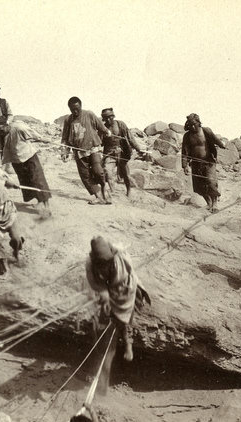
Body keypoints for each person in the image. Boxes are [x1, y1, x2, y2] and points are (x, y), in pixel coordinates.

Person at [86, 236, 150, 364]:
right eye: (102, 263)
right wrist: (104, 292)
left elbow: (122, 281)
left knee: (124, 315)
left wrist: (113, 297)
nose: (105, 264)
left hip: (125, 286)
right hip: (107, 287)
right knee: (103, 316)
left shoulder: (121, 259)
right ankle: (102, 353)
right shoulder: (91, 264)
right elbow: (94, 282)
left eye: (107, 261)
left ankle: (128, 343)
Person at [0, 116, 53, 218]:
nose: (0, 132)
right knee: (26, 182)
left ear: (6, 125)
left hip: (29, 156)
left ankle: (46, 206)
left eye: (1, 129)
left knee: (38, 180)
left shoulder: (18, 128)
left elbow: (33, 134)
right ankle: (39, 201)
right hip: (16, 160)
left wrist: (44, 139)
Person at [60, 96, 112, 205]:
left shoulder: (89, 114)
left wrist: (107, 131)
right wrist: (65, 151)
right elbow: (65, 138)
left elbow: (101, 126)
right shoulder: (68, 120)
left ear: (81, 106)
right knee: (85, 176)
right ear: (69, 108)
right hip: (79, 152)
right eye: (72, 109)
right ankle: (98, 197)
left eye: (77, 109)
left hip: (93, 149)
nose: (75, 111)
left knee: (99, 171)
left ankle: (106, 193)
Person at [181, 113, 226, 211]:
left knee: (211, 182)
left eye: (194, 124)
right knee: (199, 185)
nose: (193, 127)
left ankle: (215, 204)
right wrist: (185, 166)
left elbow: (215, 140)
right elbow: (184, 151)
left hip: (208, 161)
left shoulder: (206, 131)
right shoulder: (187, 136)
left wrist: (222, 145)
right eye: (190, 125)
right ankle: (208, 203)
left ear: (198, 122)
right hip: (195, 163)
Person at [100, 108, 149, 197]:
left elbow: (130, 137)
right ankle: (113, 191)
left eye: (110, 117)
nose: (108, 120)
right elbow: (100, 142)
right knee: (107, 171)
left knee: (126, 174)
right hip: (109, 154)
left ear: (113, 116)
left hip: (122, 153)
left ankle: (128, 190)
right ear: (103, 118)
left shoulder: (120, 124)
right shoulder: (103, 128)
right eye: (106, 118)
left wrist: (138, 149)